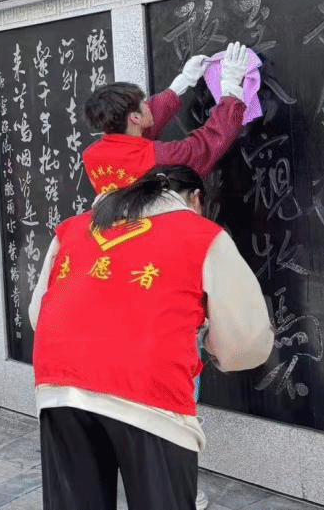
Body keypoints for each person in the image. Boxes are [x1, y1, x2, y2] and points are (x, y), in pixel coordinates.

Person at [29, 165, 272, 510]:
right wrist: (214, 348)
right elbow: (245, 340)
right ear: (196, 198)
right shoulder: (203, 235)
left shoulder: (72, 228)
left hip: (59, 384)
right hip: (149, 390)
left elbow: (38, 314)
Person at [82, 42, 252, 194]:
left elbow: (141, 127)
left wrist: (182, 83)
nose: (148, 104)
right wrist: (231, 89)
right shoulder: (152, 158)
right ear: (135, 118)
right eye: (143, 103)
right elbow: (201, 149)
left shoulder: (93, 154)